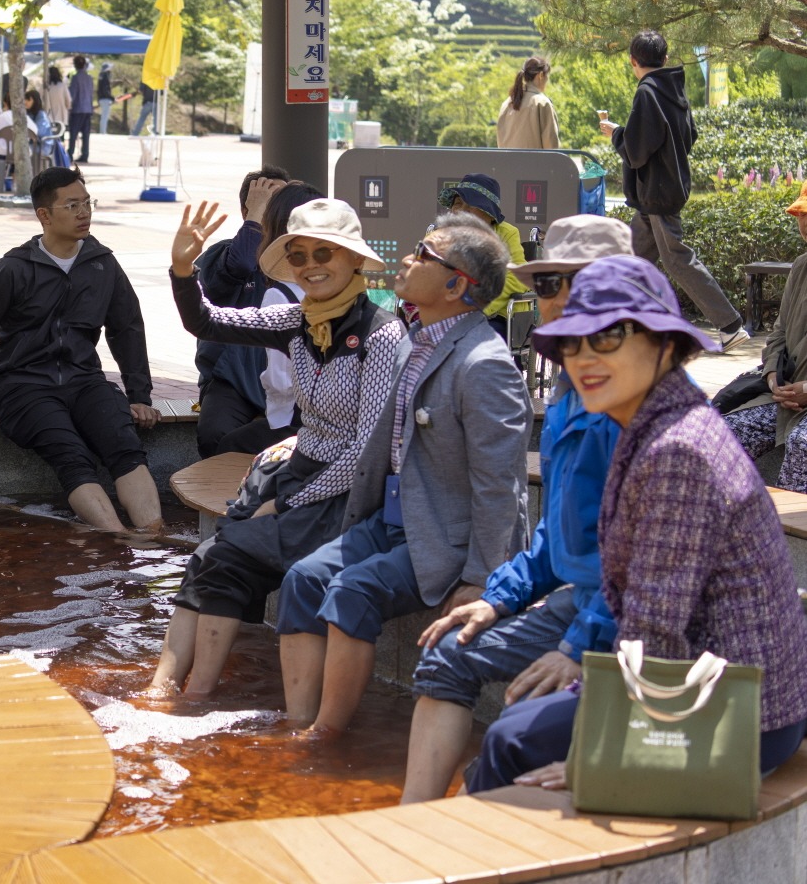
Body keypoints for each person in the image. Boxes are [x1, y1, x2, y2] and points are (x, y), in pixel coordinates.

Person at [468, 255, 807, 792]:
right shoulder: (656, 423)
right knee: (516, 725)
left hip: (740, 715)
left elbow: (656, 627)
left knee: (511, 738)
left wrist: (602, 752)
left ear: (665, 346)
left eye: (607, 338)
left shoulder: (676, 451)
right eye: (571, 343)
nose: (584, 358)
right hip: (708, 686)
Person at [399, 215, 631, 803]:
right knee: (446, 653)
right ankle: (409, 816)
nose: (557, 300)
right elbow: (558, 533)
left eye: (577, 283)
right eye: (547, 284)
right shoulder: (568, 393)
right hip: (584, 598)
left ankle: (462, 827)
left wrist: (579, 647)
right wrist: (497, 596)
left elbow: (647, 569)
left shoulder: (643, 412)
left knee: (511, 734)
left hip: (635, 621)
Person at [276, 212, 531, 730]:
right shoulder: (416, 338)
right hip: (393, 521)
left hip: (446, 538)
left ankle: (324, 738)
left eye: (423, 254)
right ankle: (297, 722)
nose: (408, 259)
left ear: (457, 285)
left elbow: (500, 484)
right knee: (303, 578)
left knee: (352, 590)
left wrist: (481, 577)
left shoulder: (484, 364)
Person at [150, 198, 405, 698]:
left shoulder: (383, 334)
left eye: (324, 253)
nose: (311, 265)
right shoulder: (296, 321)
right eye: (299, 255)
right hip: (299, 475)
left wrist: (286, 502)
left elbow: (366, 453)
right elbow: (207, 322)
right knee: (210, 555)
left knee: (229, 551)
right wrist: (183, 270)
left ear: (355, 258)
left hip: (344, 497)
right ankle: (174, 692)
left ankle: (196, 698)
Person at [0, 166, 161, 533]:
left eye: (87, 203)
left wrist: (139, 395)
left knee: (124, 446)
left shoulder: (102, 264)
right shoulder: (11, 269)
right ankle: (118, 538)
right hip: (23, 386)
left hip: (85, 381)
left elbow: (127, 329)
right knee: (71, 456)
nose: (84, 213)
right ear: (45, 215)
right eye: (72, 206)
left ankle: (154, 536)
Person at [600, 28, 749, 351]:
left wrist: (616, 133)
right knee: (630, 260)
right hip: (662, 190)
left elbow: (636, 149)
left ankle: (730, 325)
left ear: (633, 61)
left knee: (677, 259)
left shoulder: (647, 93)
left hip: (656, 193)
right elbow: (688, 135)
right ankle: (614, 325)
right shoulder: (674, 89)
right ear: (665, 58)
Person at [192, 166, 293, 457]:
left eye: (282, 200)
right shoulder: (223, 254)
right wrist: (256, 216)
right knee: (215, 436)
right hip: (232, 379)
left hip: (291, 380)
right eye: (267, 201)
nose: (277, 208)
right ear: (247, 210)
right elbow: (241, 265)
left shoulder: (303, 261)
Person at [723, 181, 807, 492]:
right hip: (785, 397)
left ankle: (789, 522)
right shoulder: (801, 266)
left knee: (802, 445)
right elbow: (778, 334)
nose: (804, 222)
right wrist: (773, 377)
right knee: (722, 431)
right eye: (801, 214)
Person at [438, 173, 526, 337]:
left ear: (489, 213)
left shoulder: (507, 234)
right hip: (447, 314)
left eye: (470, 204)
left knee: (470, 338)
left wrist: (476, 307)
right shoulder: (440, 234)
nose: (462, 210)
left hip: (494, 315)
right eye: (458, 204)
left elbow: (518, 277)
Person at [496, 57, 560, 150]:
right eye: (547, 76)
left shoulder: (506, 103)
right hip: (535, 160)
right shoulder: (542, 103)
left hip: (507, 159)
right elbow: (551, 145)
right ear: (541, 75)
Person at [26, 88, 69, 168]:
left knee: (20, 150)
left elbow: (38, 132)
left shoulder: (41, 115)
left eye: (28, 100)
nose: (25, 102)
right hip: (34, 144)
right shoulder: (30, 114)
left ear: (34, 101)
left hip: (43, 146)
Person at [67, 55, 94, 163]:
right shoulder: (89, 78)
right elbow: (91, 93)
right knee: (86, 134)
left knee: (73, 133)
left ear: (75, 65)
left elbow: (72, 95)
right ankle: (85, 154)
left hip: (77, 109)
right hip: (88, 109)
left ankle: (70, 153)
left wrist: (69, 107)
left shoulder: (75, 77)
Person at [97, 62, 116, 134]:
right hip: (106, 99)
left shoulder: (101, 76)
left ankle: (102, 131)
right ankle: (103, 132)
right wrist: (112, 98)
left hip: (101, 99)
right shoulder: (105, 76)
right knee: (105, 116)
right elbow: (106, 90)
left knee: (103, 116)